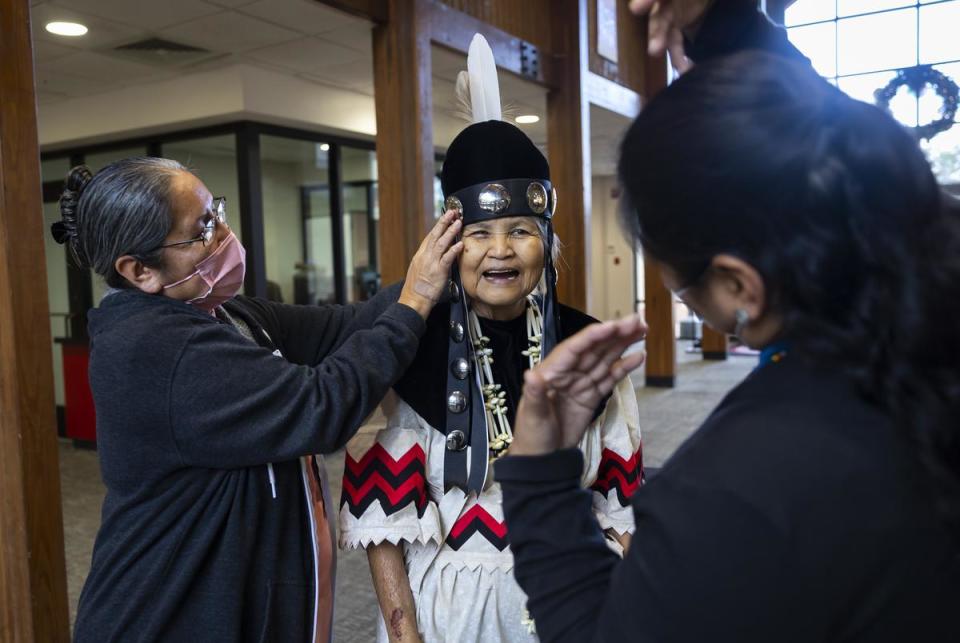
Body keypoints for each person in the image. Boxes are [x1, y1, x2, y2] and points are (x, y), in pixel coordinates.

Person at [495, 1, 960, 641]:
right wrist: (727, 25)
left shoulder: (738, 490)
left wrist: (540, 475)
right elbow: (822, 135)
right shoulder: (928, 296)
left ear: (740, 284)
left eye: (676, 279)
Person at [52, 157, 462, 642]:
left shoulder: (222, 314)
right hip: (166, 618)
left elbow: (345, 327)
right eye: (201, 229)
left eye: (216, 212)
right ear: (140, 270)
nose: (223, 234)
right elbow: (322, 406)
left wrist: (447, 269)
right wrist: (415, 301)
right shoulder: (158, 350)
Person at [338, 35, 643, 643]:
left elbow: (618, 498)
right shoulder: (408, 351)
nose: (500, 251)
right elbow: (386, 523)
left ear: (547, 244)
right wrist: (404, 634)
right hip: (449, 611)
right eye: (479, 233)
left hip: (573, 596)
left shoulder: (588, 347)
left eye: (521, 231)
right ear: (452, 246)